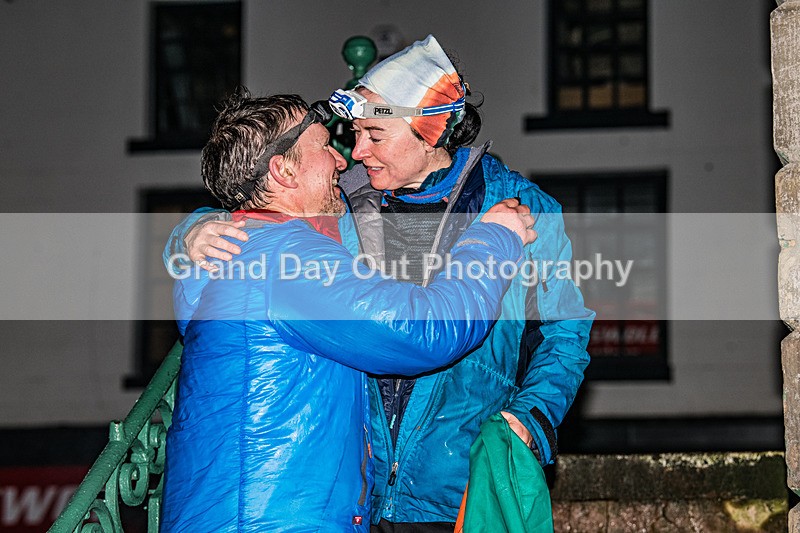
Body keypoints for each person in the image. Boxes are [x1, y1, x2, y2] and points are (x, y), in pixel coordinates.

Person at [167, 35, 594, 531]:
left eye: (374, 134)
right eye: (351, 135)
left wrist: (530, 421)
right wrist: (191, 230)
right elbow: (261, 217)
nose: (355, 151)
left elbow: (564, 331)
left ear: (428, 130)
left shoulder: (523, 205)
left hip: (459, 489)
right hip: (359, 499)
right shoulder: (342, 201)